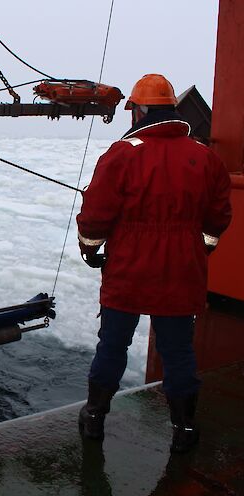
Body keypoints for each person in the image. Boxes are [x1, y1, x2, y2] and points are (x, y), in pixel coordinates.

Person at [76, 74, 232, 453]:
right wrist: (202, 249)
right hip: (182, 271)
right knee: (178, 351)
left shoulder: (121, 153)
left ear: (140, 110)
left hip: (129, 269)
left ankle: (95, 417)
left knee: (112, 345)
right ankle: (185, 428)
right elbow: (218, 217)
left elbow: (96, 213)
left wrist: (90, 247)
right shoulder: (204, 157)